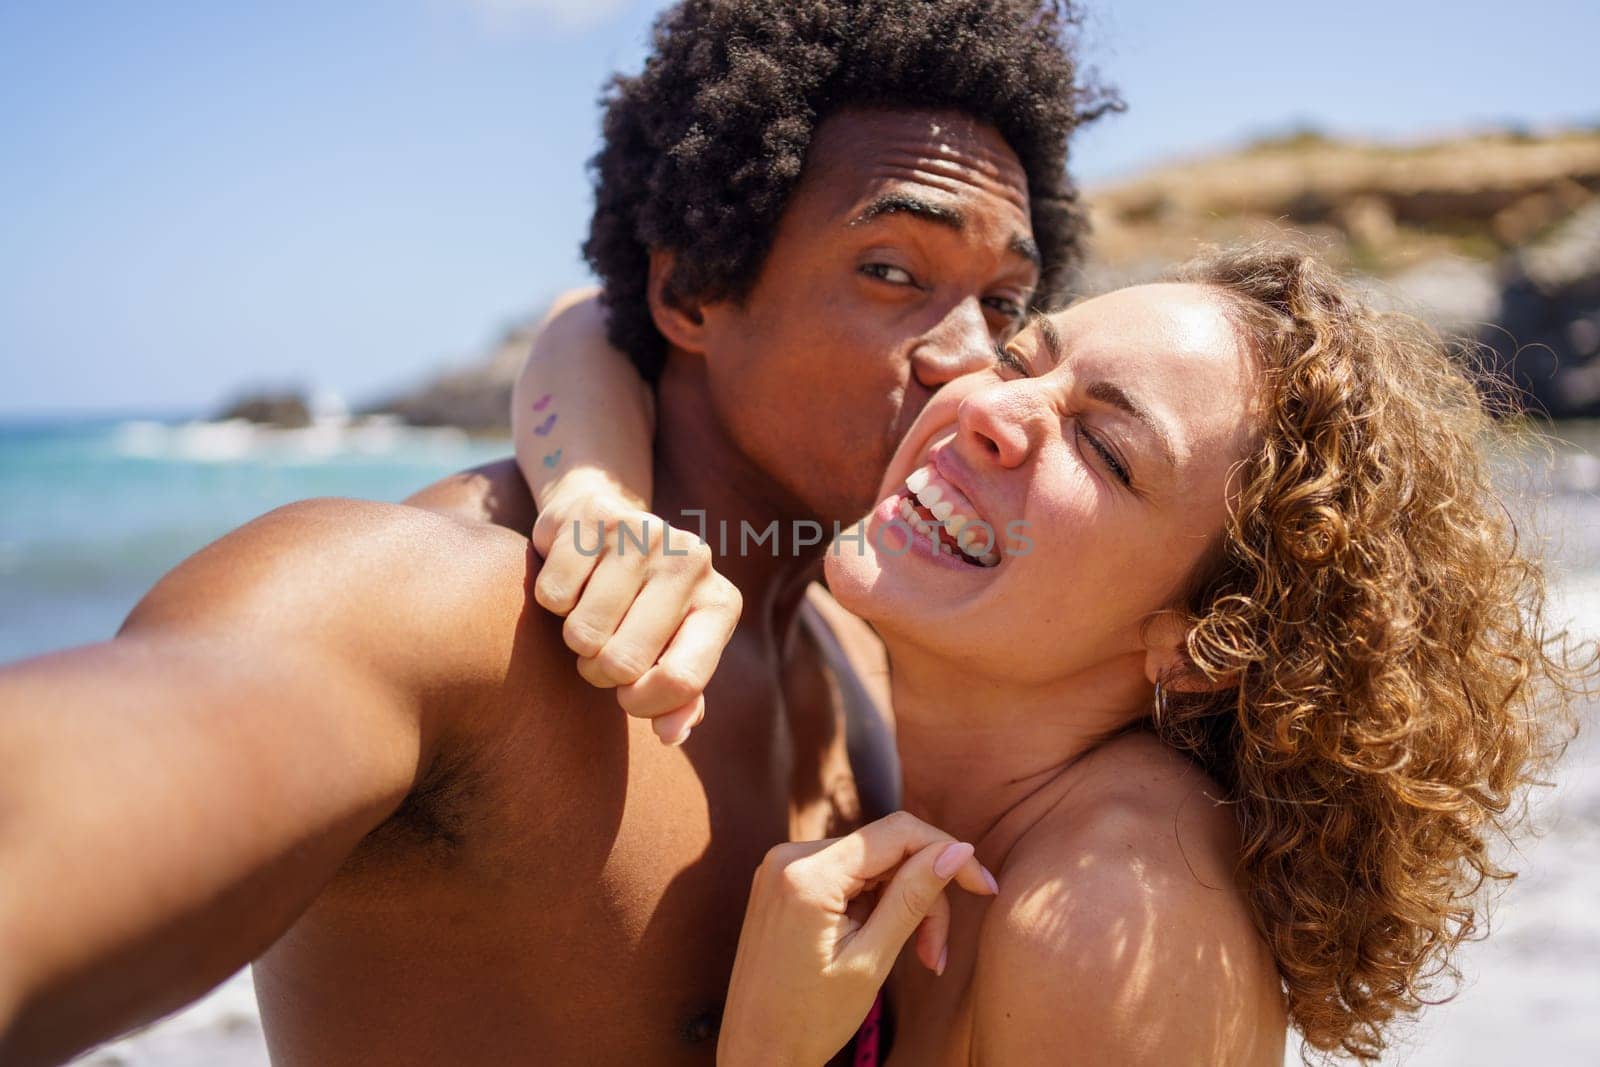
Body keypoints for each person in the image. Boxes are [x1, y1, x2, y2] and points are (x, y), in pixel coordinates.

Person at [0, 2, 1108, 1064]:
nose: (970, 355)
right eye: (892, 271)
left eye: (1004, 302)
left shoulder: (868, 655)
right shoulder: (447, 609)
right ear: (688, 293)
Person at [515, 246, 1585, 1064]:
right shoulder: (884, 639)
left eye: (1106, 447)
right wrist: (592, 494)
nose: (992, 409)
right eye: (1025, 357)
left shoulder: (1113, 914)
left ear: (1203, 644)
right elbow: (596, 323)